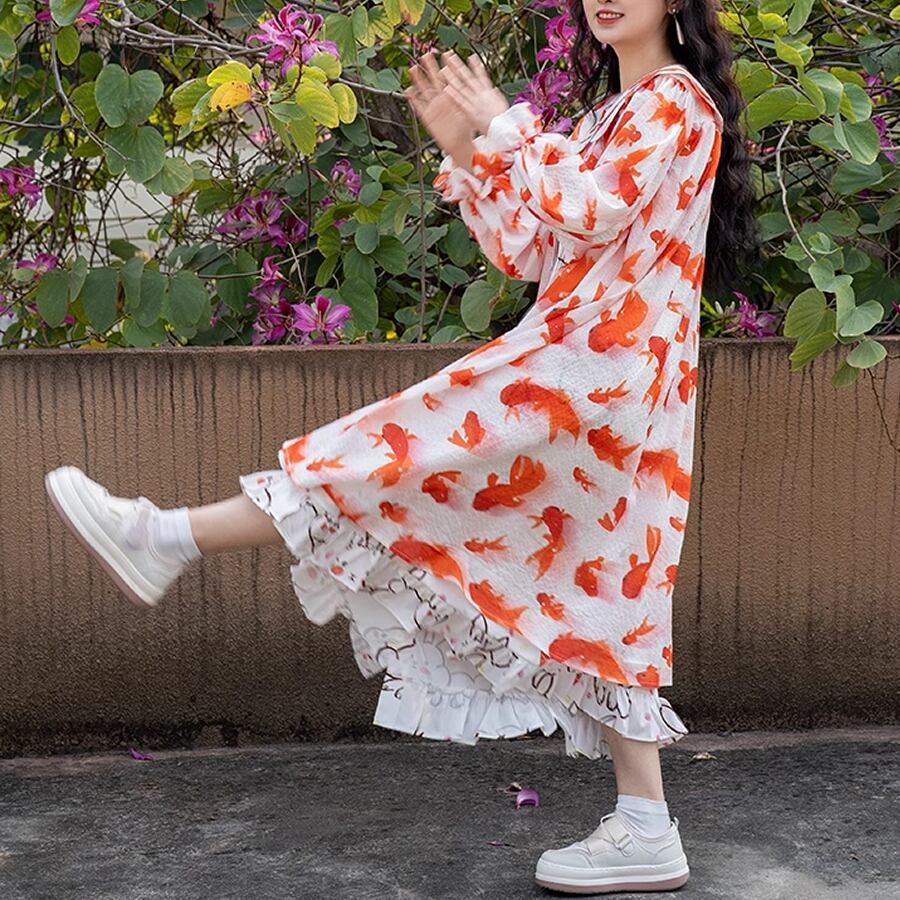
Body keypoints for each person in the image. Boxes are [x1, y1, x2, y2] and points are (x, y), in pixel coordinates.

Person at [45, 0, 759, 894]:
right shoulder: (611, 114)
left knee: (384, 458)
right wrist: (472, 150)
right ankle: (646, 824)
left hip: (589, 377)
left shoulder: (674, 102)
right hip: (603, 383)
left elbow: (590, 206)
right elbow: (534, 249)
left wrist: (503, 128)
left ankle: (165, 537)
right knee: (607, 584)